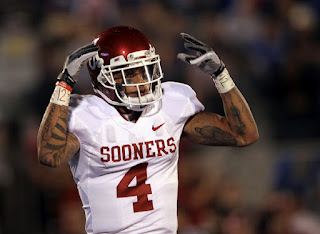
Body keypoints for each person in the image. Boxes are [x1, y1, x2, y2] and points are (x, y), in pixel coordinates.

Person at [37, 26, 258, 234]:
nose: (142, 81)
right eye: (130, 74)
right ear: (103, 77)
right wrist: (64, 83)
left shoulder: (169, 106)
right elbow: (49, 154)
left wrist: (221, 76)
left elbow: (244, 134)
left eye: (145, 71)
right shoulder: (87, 115)